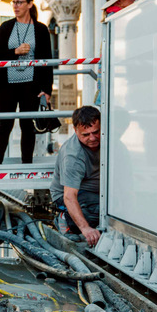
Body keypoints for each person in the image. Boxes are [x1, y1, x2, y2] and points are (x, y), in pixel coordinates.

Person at [0, 0, 53, 164]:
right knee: (4, 125)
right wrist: (15, 51)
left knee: (27, 125)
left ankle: (27, 165)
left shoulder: (40, 29)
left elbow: (47, 61)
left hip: (31, 84)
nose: (15, 6)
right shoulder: (6, 26)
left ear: (29, 4)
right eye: (14, 2)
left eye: (19, 2)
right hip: (6, 84)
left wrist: (47, 90)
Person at [49, 106, 102, 247]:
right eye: (85, 135)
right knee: (101, 209)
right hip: (69, 195)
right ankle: (65, 219)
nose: (92, 138)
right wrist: (86, 229)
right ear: (75, 130)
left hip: (95, 192)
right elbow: (69, 196)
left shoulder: (108, 141)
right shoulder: (73, 155)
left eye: (96, 132)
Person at [94, 0, 141, 105]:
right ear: (120, 1)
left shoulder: (111, 18)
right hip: (120, 79)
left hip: (114, 78)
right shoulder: (120, 19)